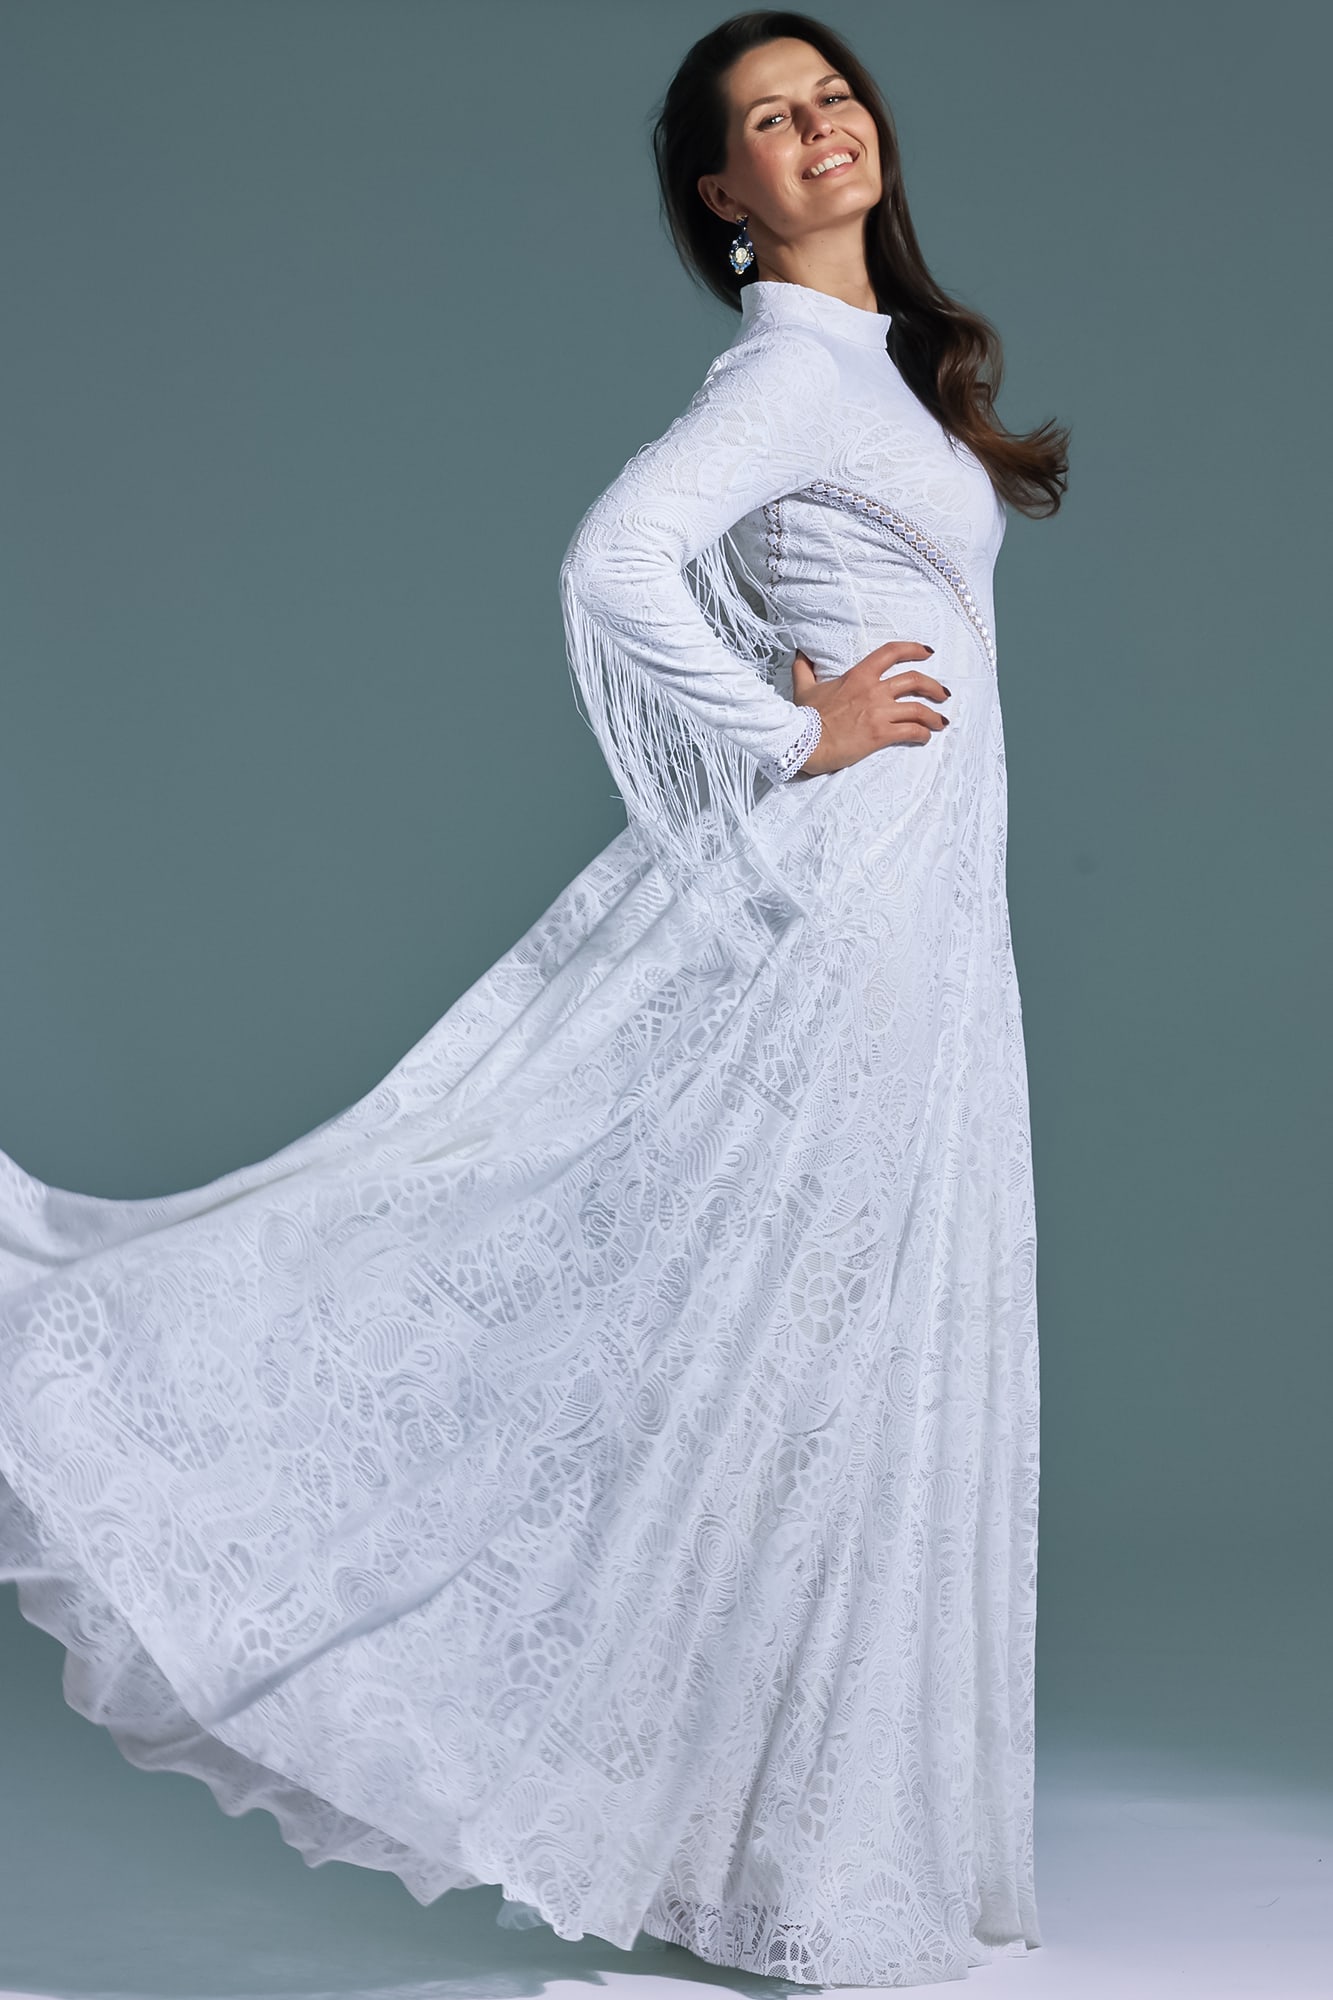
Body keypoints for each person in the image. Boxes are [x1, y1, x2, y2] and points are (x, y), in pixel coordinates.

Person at [0, 9, 1069, 1989]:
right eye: (770, 120)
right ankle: (775, 1855)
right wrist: (788, 729)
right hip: (852, 909)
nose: (820, 128)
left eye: (832, 96)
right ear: (721, 192)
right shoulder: (787, 369)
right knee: (765, 1333)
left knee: (831, 1354)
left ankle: (787, 1847)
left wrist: (797, 690)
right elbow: (619, 558)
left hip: (921, 918)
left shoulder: (876, 372)